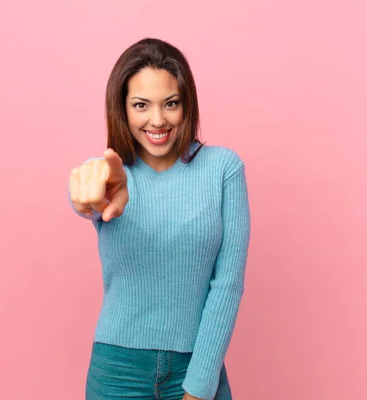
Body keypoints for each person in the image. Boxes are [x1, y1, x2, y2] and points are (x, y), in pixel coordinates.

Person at [68, 38, 251, 400]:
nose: (157, 120)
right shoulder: (113, 173)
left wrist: (199, 387)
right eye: (141, 105)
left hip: (196, 369)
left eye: (171, 104)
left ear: (186, 104)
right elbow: (87, 196)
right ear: (122, 109)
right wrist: (89, 189)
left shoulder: (223, 169)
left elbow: (227, 285)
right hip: (116, 373)